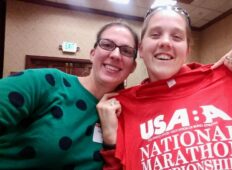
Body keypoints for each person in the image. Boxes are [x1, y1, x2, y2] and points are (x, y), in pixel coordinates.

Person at [98, 5, 232, 170]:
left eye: (177, 37)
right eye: (155, 34)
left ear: (187, 50)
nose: (166, 42)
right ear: (141, 50)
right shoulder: (123, 109)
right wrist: (110, 142)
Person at [0, 21, 138, 169]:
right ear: (93, 54)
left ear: (133, 67)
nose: (116, 55)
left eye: (126, 51)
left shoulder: (128, 115)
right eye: (107, 45)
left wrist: (111, 139)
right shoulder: (45, 83)